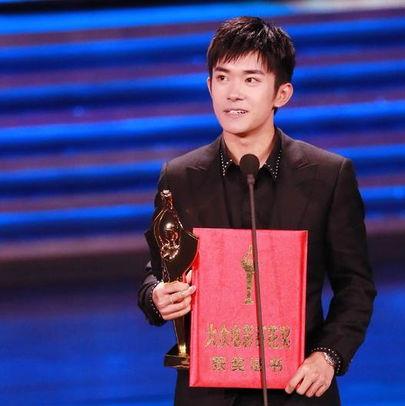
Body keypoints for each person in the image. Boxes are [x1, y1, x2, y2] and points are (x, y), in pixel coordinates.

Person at [138, 16, 376, 405]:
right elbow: (158, 270)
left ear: (282, 93)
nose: (233, 93)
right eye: (222, 77)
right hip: (208, 392)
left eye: (251, 79)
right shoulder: (179, 177)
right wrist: (157, 296)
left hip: (297, 388)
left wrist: (328, 355)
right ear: (209, 86)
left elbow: (356, 286)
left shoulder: (328, 175)